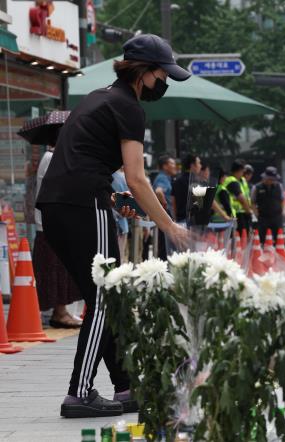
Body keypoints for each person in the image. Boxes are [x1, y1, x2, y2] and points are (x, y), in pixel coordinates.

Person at [36, 34, 191, 418]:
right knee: (108, 298)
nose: (164, 83)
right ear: (144, 72)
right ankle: (81, 392)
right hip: (83, 204)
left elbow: (91, 163)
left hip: (58, 206)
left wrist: (121, 204)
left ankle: (124, 386)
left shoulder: (97, 96)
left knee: (103, 298)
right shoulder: (129, 107)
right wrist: (169, 226)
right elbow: (137, 178)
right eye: (163, 74)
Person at [33, 147, 83, 329]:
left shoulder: (56, 156)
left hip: (57, 223)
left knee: (61, 271)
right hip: (51, 224)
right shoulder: (51, 157)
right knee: (54, 271)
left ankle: (61, 312)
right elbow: (60, 185)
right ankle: (59, 313)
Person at [251, 166, 285, 244]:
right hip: (263, 217)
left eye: (274, 179)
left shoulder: (279, 186)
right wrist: (256, 213)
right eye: (271, 179)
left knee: (279, 238)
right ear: (266, 178)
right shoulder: (256, 188)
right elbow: (253, 202)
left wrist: (283, 211)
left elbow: (282, 200)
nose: (272, 181)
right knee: (263, 238)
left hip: (277, 216)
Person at [152, 155, 177, 259]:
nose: (175, 166)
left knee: (165, 246)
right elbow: (158, 192)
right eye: (172, 163)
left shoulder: (165, 178)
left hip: (164, 216)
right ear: (165, 166)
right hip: (165, 216)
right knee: (165, 247)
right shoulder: (162, 178)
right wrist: (165, 206)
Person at [172, 153, 202, 224]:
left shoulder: (176, 182)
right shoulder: (197, 182)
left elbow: (173, 203)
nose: (200, 166)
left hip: (180, 222)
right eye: (198, 163)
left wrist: (176, 219)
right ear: (192, 165)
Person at [224, 160, 253, 233]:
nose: (243, 173)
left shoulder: (240, 180)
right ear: (239, 170)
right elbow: (242, 199)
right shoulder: (232, 181)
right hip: (237, 214)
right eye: (243, 171)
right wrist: (249, 211)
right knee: (239, 239)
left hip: (242, 212)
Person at [111, 168, 130, 262]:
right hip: (122, 224)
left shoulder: (101, 173)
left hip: (116, 224)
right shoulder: (122, 177)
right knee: (119, 260)